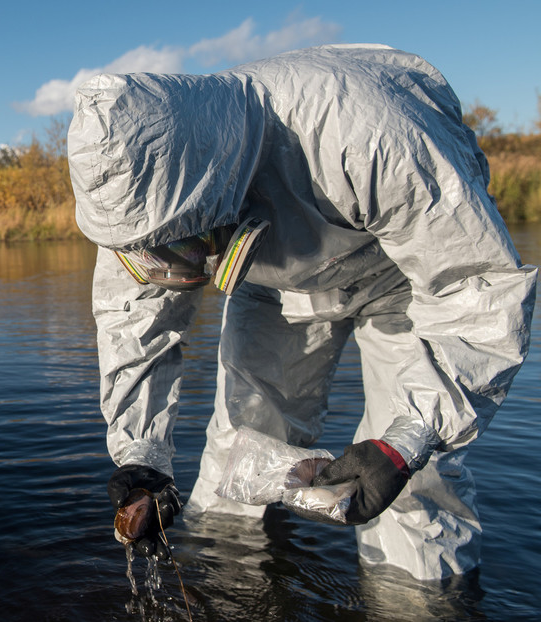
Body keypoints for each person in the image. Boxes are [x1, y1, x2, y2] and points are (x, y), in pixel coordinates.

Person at [67, 44, 537, 581]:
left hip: (406, 279)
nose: (171, 265)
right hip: (271, 279)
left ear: (213, 184)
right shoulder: (126, 202)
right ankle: (231, 588)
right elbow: (134, 322)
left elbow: (475, 288)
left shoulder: (368, 133)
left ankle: (421, 603)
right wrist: (143, 454)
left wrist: (406, 442)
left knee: (411, 478)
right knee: (240, 448)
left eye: (182, 243)